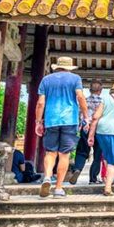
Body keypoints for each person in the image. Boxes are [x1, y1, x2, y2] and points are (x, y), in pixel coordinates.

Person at [36, 56, 88, 198]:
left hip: (51, 120)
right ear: (70, 67)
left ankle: (47, 176)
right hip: (70, 120)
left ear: (56, 67)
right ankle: (58, 188)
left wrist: (38, 121)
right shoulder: (75, 79)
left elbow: (40, 103)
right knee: (64, 154)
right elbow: (80, 97)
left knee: (50, 152)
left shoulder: (46, 80)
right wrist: (86, 116)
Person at [70, 80, 105, 185]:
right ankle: (93, 178)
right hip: (99, 129)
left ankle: (77, 169)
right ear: (100, 90)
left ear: (90, 90)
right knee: (97, 155)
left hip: (86, 128)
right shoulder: (103, 102)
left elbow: (79, 115)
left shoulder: (84, 100)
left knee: (82, 151)